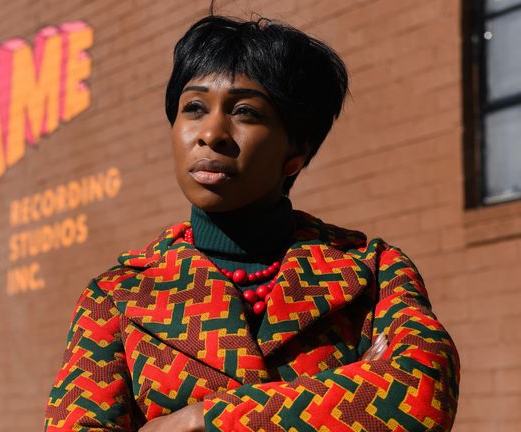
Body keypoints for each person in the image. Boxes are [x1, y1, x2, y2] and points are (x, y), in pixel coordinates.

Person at [44, 14, 459, 432]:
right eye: (194, 108)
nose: (211, 133)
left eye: (244, 112)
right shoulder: (118, 296)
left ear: (297, 151)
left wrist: (200, 420)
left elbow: (422, 394)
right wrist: (351, 393)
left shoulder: (374, 271)